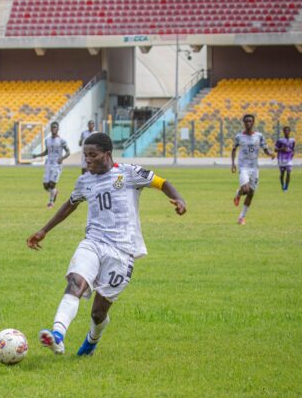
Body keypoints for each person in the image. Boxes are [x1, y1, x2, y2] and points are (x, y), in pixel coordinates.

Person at [26, 133, 186, 356]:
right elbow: (70, 205)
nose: (87, 160)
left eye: (92, 155)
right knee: (75, 283)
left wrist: (179, 199)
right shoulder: (85, 181)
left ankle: (92, 340)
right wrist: (44, 230)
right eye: (85, 156)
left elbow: (161, 182)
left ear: (107, 155)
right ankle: (57, 336)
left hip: (122, 251)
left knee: (98, 314)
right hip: (93, 242)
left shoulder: (128, 173)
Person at [231, 114, 275, 225]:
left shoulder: (259, 136)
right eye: (246, 121)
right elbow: (233, 149)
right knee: (245, 190)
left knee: (251, 193)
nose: (248, 123)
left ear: (253, 122)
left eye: (250, 121)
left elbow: (265, 149)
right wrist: (233, 164)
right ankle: (239, 193)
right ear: (243, 123)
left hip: (254, 168)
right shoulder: (239, 136)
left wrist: (270, 154)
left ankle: (241, 217)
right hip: (243, 166)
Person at [32, 122, 70, 208]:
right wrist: (37, 155)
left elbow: (68, 152)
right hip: (48, 163)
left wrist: (62, 158)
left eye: (55, 127)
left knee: (52, 184)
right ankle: (55, 192)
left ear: (58, 129)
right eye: (52, 127)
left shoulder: (62, 141)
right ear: (50, 129)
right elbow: (46, 152)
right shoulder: (47, 140)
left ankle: (51, 202)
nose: (54, 129)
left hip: (57, 164)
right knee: (46, 186)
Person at [274, 126, 295, 192]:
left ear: (289, 131)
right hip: (281, 159)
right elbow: (275, 150)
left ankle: (286, 187)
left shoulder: (292, 140)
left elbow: (293, 148)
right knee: (282, 174)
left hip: (289, 160)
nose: (286, 132)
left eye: (288, 130)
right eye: (285, 130)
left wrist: (293, 153)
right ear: (283, 132)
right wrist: (281, 149)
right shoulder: (280, 140)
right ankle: (282, 185)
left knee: (288, 173)